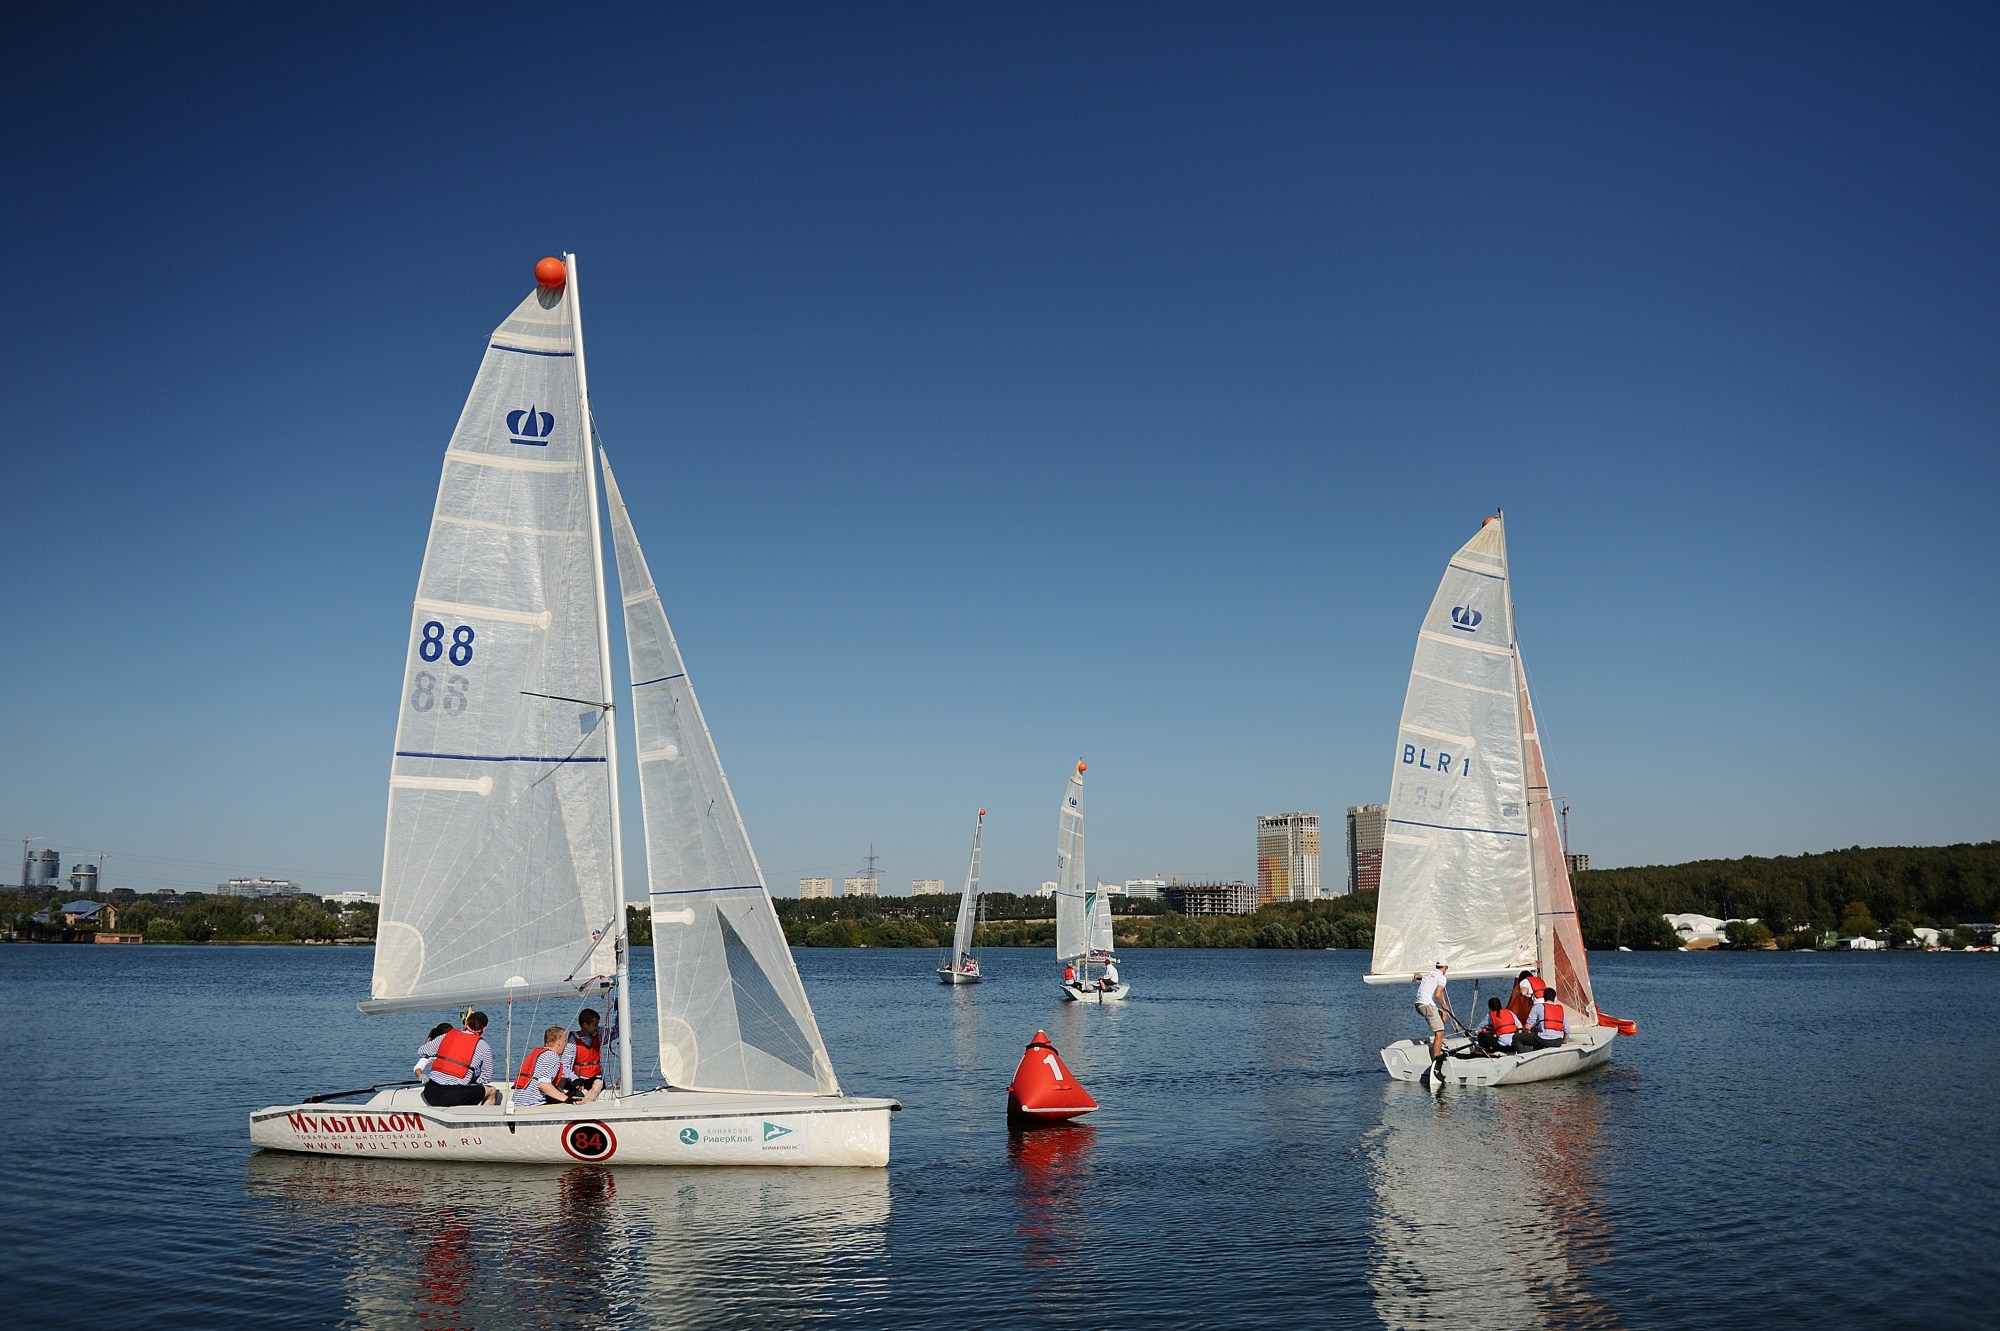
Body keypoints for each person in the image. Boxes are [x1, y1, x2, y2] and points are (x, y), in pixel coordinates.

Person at [418, 1012, 501, 1106]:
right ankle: (482, 1119)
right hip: (455, 1096)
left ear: (466, 1024)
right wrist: (473, 1080)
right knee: (492, 1091)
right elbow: (487, 1077)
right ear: (484, 1028)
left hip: (430, 1092)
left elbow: (422, 1051)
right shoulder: (484, 1046)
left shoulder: (446, 1036)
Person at [513, 1026, 571, 1109]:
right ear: (559, 1042)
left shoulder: (540, 1054)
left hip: (517, 1102)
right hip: (532, 1104)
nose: (566, 1045)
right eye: (565, 1041)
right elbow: (543, 1084)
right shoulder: (552, 1056)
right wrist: (567, 1099)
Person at [559, 1008, 606, 1104]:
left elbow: (618, 1031)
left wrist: (619, 1011)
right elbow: (564, 1065)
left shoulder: (600, 1034)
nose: (597, 1027)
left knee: (598, 1083)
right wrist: (575, 1079)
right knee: (563, 1079)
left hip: (595, 1078)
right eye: (594, 1025)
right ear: (585, 1025)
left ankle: (584, 1103)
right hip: (578, 1080)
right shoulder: (573, 1041)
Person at [1415, 960, 1452, 1062]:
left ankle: (1439, 1041)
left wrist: (1417, 976)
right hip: (1427, 1005)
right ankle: (1437, 1059)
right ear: (1445, 968)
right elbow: (1438, 995)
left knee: (1443, 1014)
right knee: (1440, 1032)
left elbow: (1418, 977)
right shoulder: (1442, 978)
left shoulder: (1428, 973)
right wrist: (1445, 1006)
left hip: (1419, 1005)